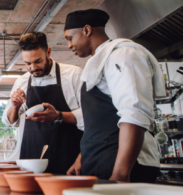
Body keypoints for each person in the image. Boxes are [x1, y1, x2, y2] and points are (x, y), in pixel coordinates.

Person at [64, 9, 165, 182]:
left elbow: (134, 113)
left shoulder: (124, 55)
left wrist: (120, 173)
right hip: (101, 162)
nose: (69, 45)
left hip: (126, 167)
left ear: (87, 30)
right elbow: (98, 121)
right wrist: (81, 159)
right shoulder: (97, 63)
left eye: (70, 38)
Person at [2, 32, 84, 174]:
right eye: (28, 63)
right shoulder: (21, 82)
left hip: (67, 158)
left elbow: (90, 117)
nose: (33, 68)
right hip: (31, 160)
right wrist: (15, 106)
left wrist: (58, 116)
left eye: (38, 61)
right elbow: (9, 121)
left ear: (48, 52)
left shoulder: (73, 75)